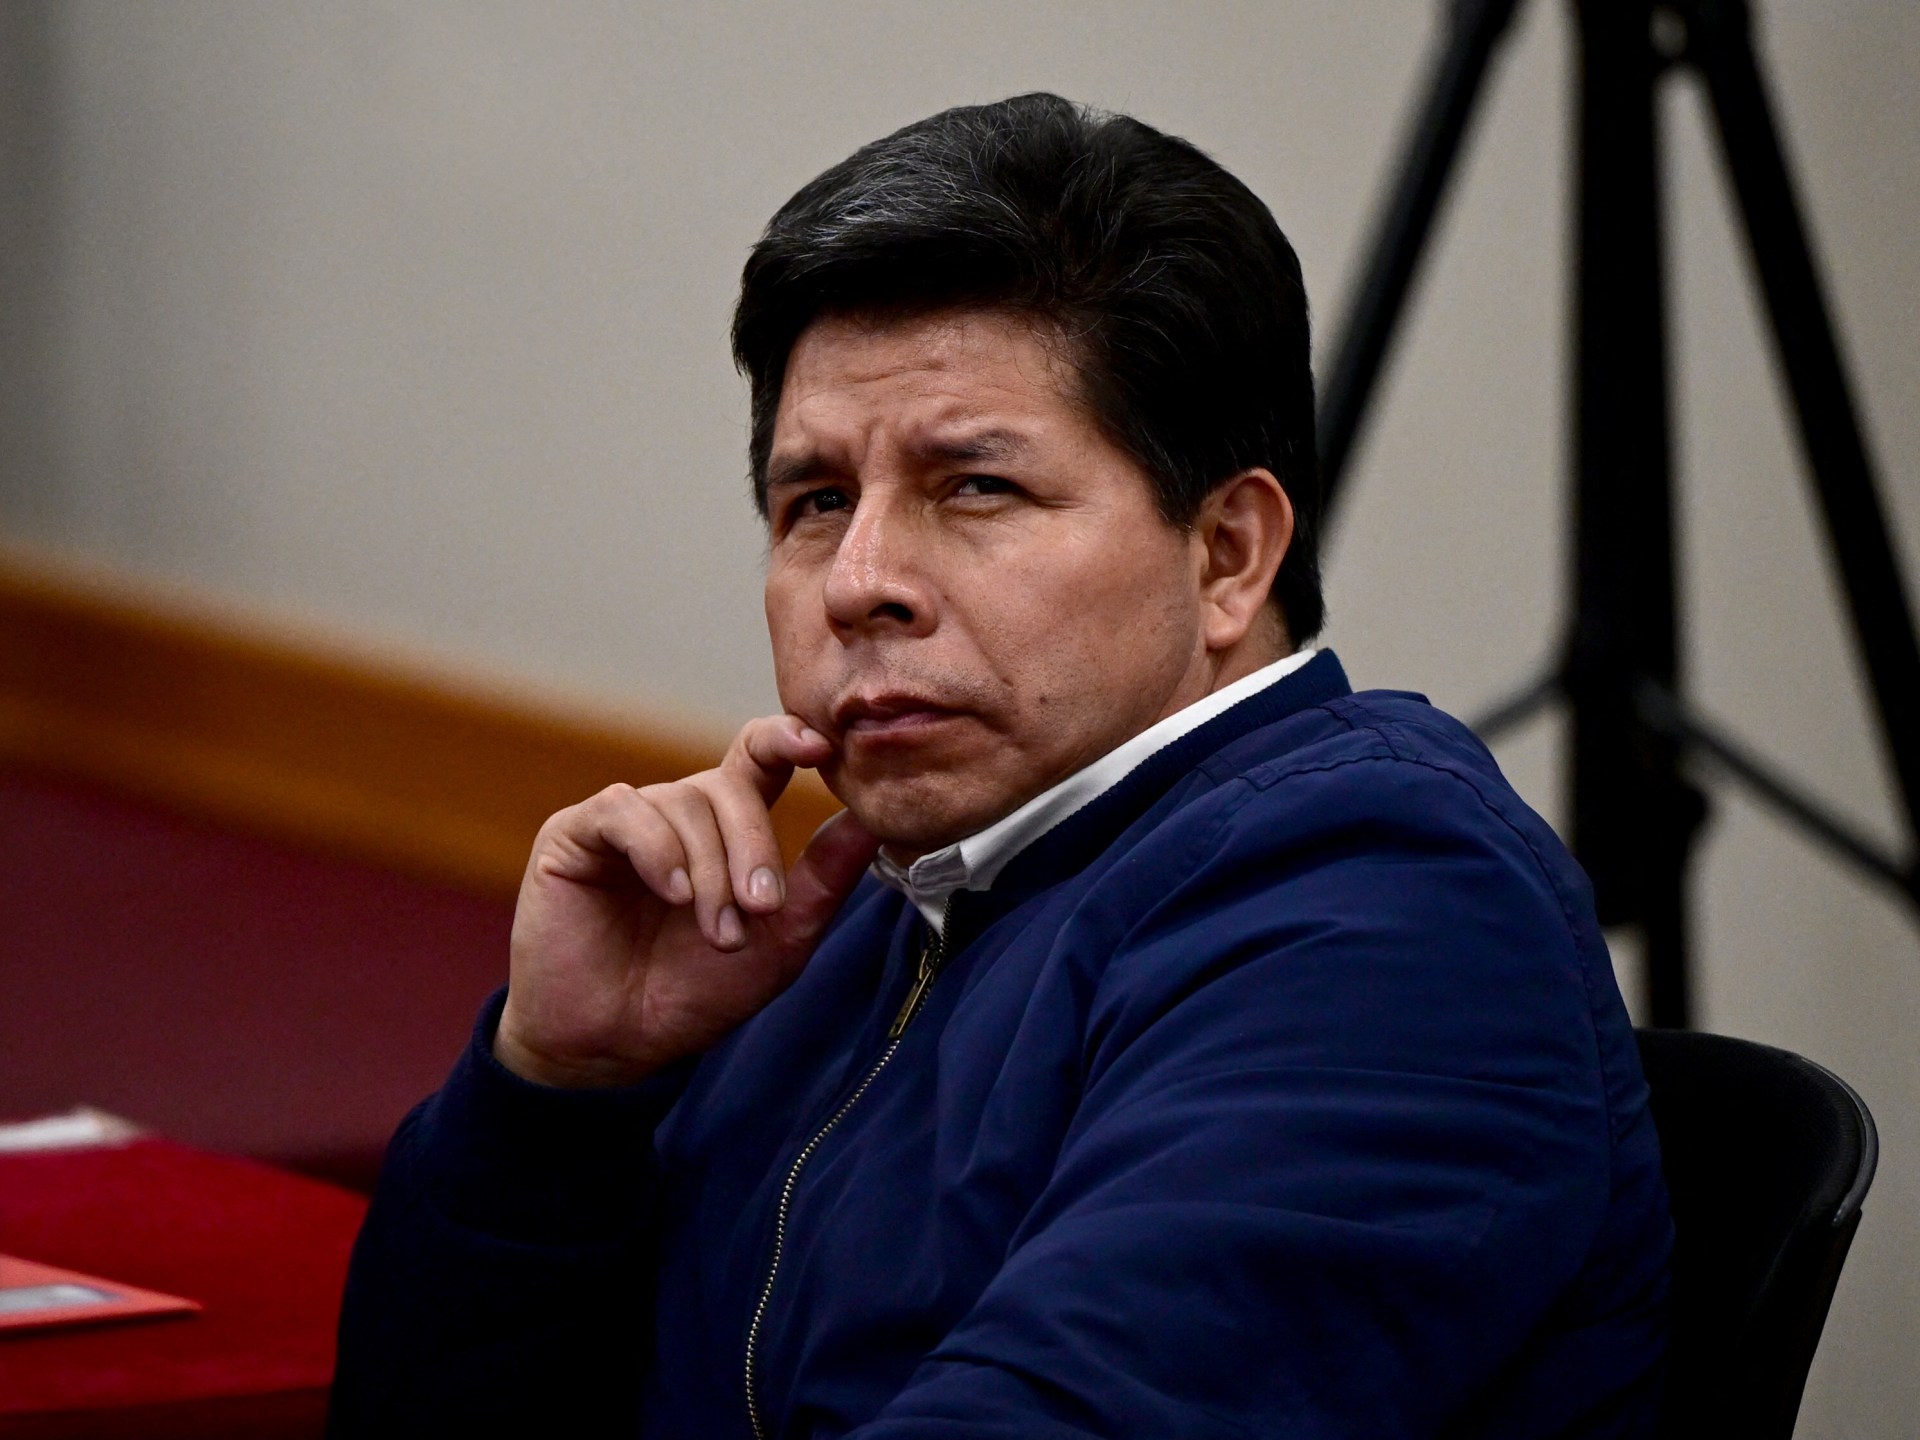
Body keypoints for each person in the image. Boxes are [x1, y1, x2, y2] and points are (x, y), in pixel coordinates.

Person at [329, 93, 1670, 1438]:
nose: (857, 582)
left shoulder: (1383, 914)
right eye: (817, 502)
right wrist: (558, 1092)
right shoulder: (876, 905)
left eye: (976, 486)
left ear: (1227, 555)